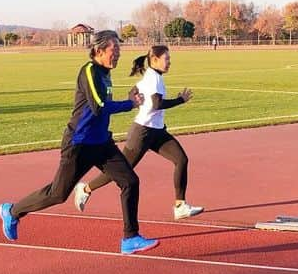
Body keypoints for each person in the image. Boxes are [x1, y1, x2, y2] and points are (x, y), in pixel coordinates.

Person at [0, 30, 160, 254]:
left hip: (102, 144)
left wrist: (131, 99)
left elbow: (102, 109)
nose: (118, 54)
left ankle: (130, 238)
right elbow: (98, 107)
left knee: (130, 181)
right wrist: (129, 104)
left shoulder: (105, 74)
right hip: (79, 144)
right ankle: (13, 211)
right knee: (58, 194)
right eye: (115, 50)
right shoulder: (89, 71)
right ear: (99, 50)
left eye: (119, 50)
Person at [73, 45, 203, 220]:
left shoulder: (152, 76)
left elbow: (133, 91)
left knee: (181, 159)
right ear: (155, 60)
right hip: (142, 133)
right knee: (123, 170)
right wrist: (180, 100)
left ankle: (180, 205)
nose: (169, 62)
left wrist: (135, 98)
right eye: (167, 59)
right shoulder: (154, 78)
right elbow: (157, 104)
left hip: (157, 132)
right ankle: (86, 188)